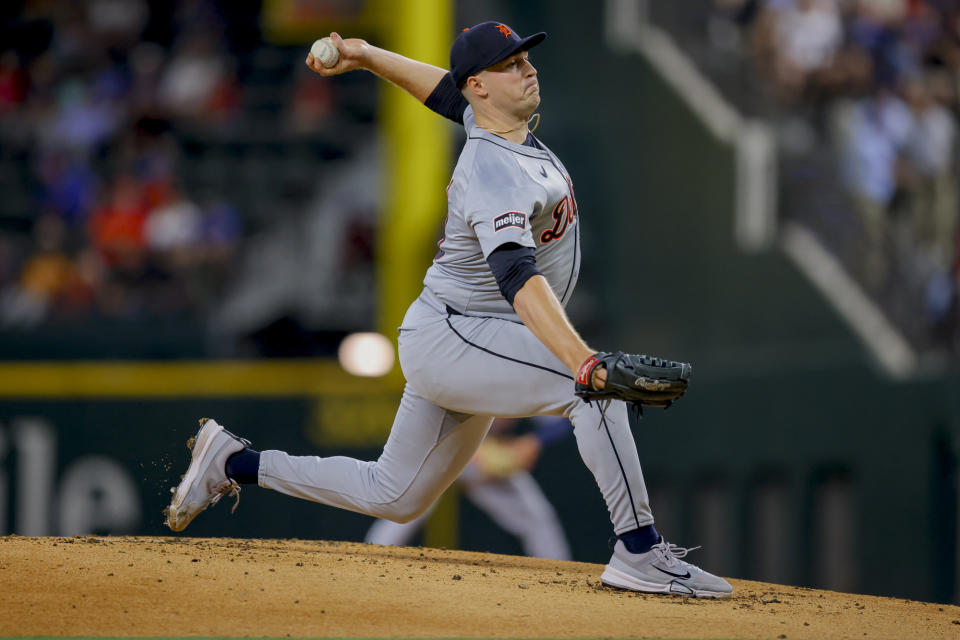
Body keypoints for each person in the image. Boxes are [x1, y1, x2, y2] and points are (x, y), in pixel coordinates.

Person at [164, 21, 733, 598]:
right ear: (481, 86)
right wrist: (584, 362)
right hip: (459, 334)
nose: (528, 69)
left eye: (525, 59)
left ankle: (235, 463)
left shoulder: (494, 125)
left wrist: (365, 56)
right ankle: (639, 552)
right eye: (511, 64)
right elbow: (517, 277)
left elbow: (442, 89)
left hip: (464, 336)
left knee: (395, 494)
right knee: (593, 388)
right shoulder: (491, 167)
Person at [365, 416, 573, 560]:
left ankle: (560, 578)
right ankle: (368, 560)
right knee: (406, 508)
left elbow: (564, 419)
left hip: (485, 459)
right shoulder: (468, 367)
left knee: (537, 519)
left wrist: (534, 442)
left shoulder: (527, 378)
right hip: (440, 447)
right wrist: (467, 445)